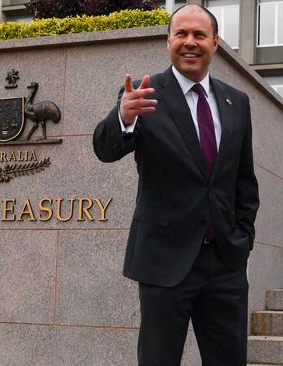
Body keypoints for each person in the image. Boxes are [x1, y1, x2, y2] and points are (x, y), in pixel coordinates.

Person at [93, 4, 259, 365]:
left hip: (226, 263)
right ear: (168, 40)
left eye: (199, 35)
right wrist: (123, 117)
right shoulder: (143, 94)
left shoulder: (237, 102)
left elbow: (244, 182)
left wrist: (242, 240)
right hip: (164, 262)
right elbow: (105, 150)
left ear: (215, 43)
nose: (190, 42)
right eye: (181, 34)